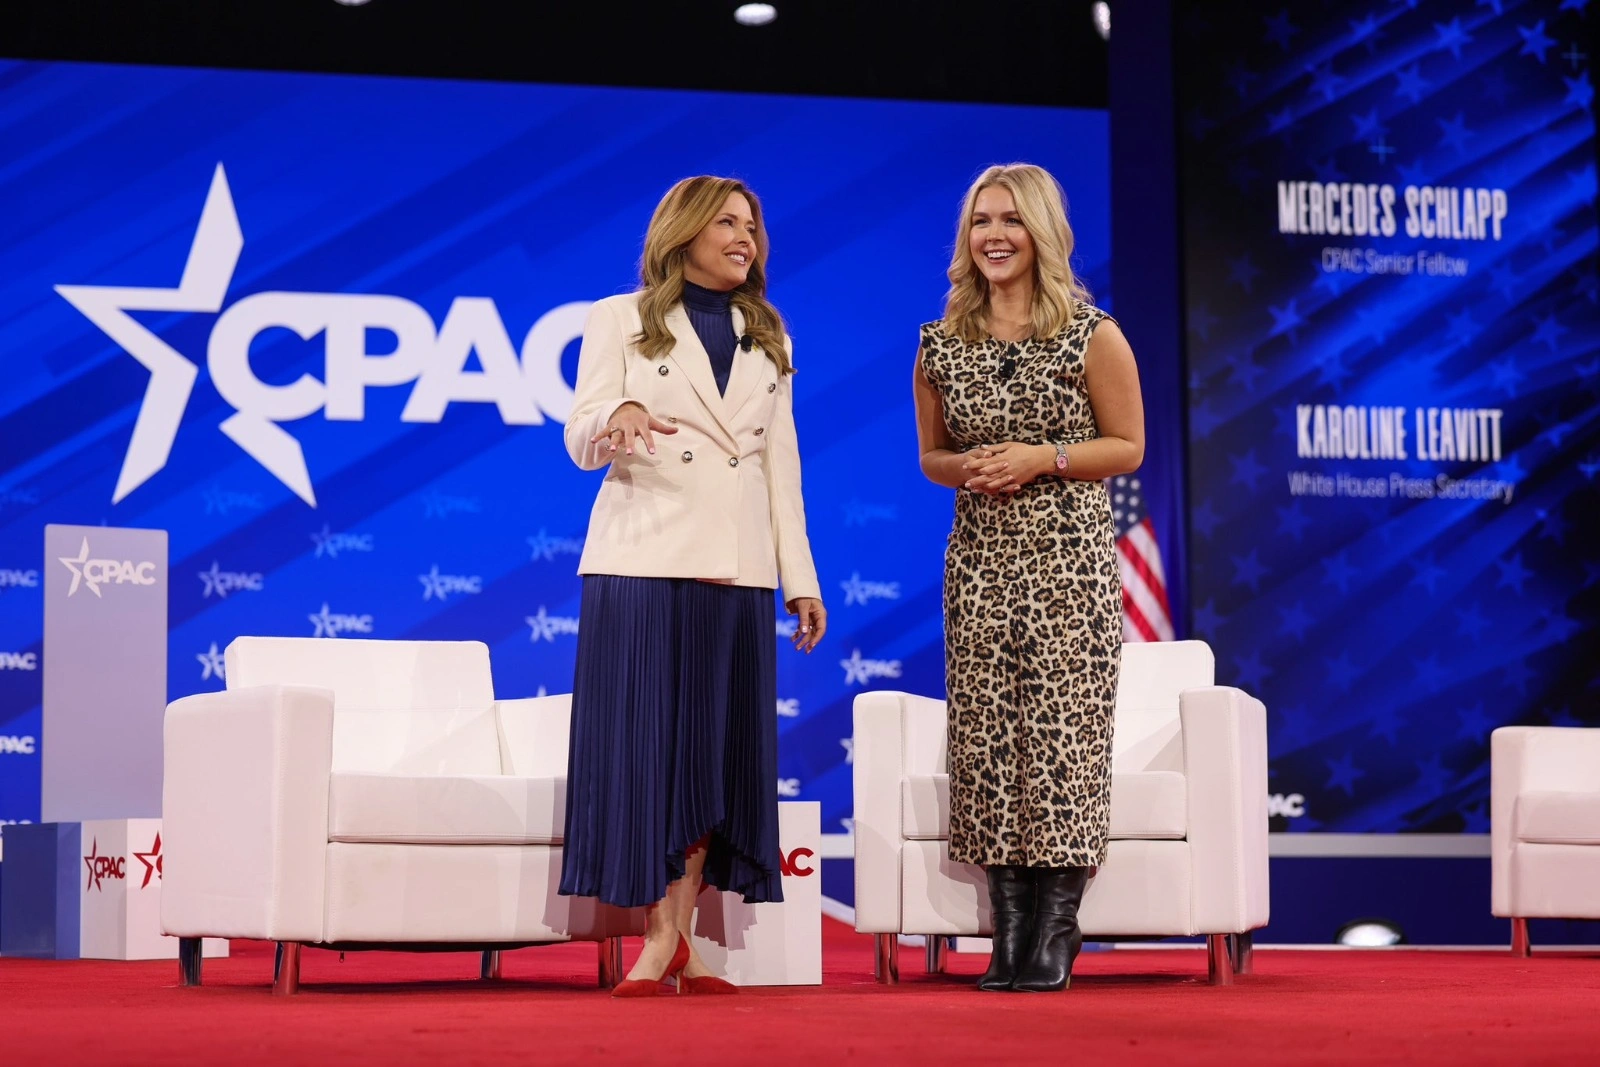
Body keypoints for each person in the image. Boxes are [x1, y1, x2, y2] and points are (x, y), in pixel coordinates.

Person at [559, 175, 827, 998]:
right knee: (649, 756)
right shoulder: (619, 319)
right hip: (641, 559)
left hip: (739, 568)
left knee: (711, 758)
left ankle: (679, 936)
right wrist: (619, 417)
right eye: (727, 222)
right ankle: (659, 938)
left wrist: (800, 578)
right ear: (683, 233)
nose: (746, 236)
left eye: (753, 223)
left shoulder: (769, 337)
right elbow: (578, 434)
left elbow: (783, 468)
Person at [912, 163, 1144, 992]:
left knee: (1061, 738)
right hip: (978, 564)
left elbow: (1127, 447)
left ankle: (1056, 926)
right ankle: (1007, 927)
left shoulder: (1092, 332)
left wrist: (1040, 457)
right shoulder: (941, 342)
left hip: (1067, 564)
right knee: (988, 742)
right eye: (981, 221)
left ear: (1043, 230)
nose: (995, 235)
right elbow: (930, 456)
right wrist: (970, 466)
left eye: (1010, 219)